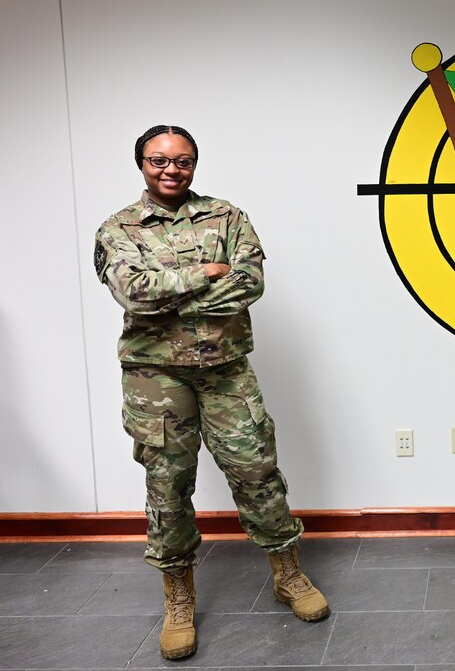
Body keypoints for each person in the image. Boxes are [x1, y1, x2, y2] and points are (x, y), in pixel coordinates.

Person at [94, 125, 328, 661]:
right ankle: (179, 597)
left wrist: (172, 295)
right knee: (168, 485)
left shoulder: (227, 216)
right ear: (141, 164)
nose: (171, 170)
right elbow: (134, 294)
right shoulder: (118, 228)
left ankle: (288, 574)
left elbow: (249, 284)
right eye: (159, 160)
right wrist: (205, 271)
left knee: (257, 472)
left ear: (194, 164)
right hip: (156, 377)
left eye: (183, 160)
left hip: (226, 370)